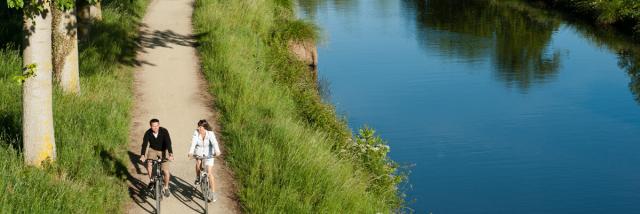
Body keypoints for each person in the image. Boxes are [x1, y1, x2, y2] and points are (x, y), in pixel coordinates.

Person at [188, 119, 221, 202]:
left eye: (201, 127)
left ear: (205, 127)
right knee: (198, 162)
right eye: (198, 126)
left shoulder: (210, 133)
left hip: (209, 154)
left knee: (209, 173)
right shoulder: (196, 133)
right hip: (199, 152)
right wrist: (191, 152)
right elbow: (193, 143)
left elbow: (214, 143)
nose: (199, 128)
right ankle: (198, 176)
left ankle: (213, 193)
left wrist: (217, 151)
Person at [139, 118, 174, 198]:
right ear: (150, 126)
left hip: (163, 150)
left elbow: (168, 142)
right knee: (149, 163)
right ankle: (151, 181)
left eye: (157, 126)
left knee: (166, 171)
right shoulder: (148, 133)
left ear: (159, 125)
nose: (155, 128)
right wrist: (142, 155)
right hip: (153, 150)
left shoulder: (164, 131)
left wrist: (170, 154)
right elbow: (144, 144)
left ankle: (166, 187)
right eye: (153, 126)